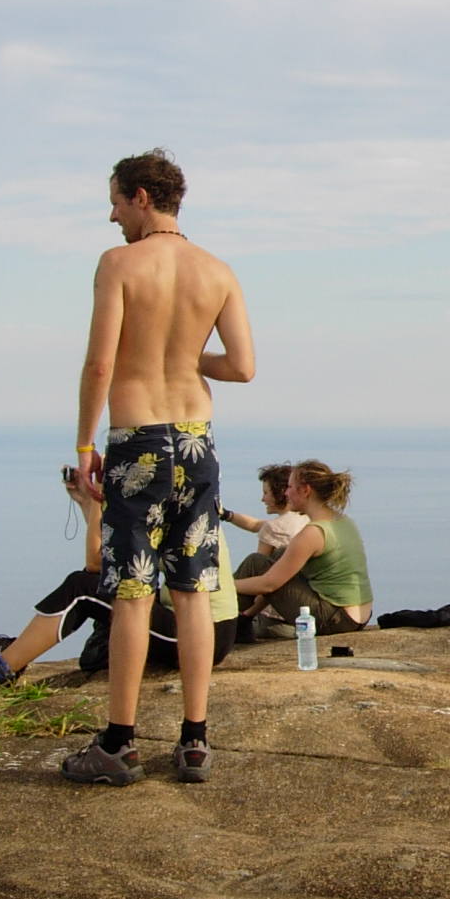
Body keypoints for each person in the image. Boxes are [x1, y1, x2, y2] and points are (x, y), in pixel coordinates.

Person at [63, 147, 255, 787]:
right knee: (193, 589)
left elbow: (100, 363)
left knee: (131, 591)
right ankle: (195, 740)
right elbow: (242, 367)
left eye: (116, 202)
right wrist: (186, 355)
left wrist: (85, 445)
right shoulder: (217, 270)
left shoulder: (119, 263)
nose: (112, 216)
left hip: (138, 440)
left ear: (141, 197)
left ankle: (119, 743)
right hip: (197, 442)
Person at [0, 477, 240, 691]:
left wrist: (99, 502)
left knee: (82, 588)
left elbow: (96, 563)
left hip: (196, 635)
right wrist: (89, 503)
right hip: (202, 629)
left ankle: (2, 669)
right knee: (96, 586)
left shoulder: (162, 514)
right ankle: (16, 650)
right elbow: (113, 555)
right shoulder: (179, 505)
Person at [233, 460, 374, 636]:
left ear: (305, 490)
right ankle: (236, 621)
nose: (286, 493)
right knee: (280, 554)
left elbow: (269, 584)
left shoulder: (313, 533)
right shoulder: (342, 521)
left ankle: (216, 621)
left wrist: (223, 586)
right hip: (358, 615)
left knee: (256, 563)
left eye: (290, 487)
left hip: (336, 619)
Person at [221, 463, 309, 563]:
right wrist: (226, 515)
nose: (262, 499)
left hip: (278, 573)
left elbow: (258, 567)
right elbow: (255, 524)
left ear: (280, 492)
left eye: (266, 493)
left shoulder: (273, 528)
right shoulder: (307, 519)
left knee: (252, 561)